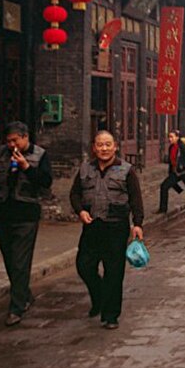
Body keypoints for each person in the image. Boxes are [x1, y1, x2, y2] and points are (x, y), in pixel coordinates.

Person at [69, 130, 144, 330]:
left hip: (116, 226)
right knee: (84, 266)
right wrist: (80, 211)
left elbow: (136, 199)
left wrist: (137, 223)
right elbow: (75, 194)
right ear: (94, 147)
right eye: (100, 145)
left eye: (108, 144)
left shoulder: (126, 170)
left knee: (113, 271)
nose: (104, 148)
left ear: (115, 147)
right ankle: (100, 297)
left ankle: (110, 315)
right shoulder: (85, 168)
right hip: (92, 226)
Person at [0, 121, 53, 327]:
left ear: (25, 137)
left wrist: (26, 167)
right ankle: (25, 294)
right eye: (9, 141)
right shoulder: (0, 153)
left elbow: (46, 181)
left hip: (26, 214)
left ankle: (16, 307)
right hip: (3, 213)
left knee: (20, 261)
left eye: (15, 140)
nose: (12, 144)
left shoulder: (40, 155)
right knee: (9, 259)